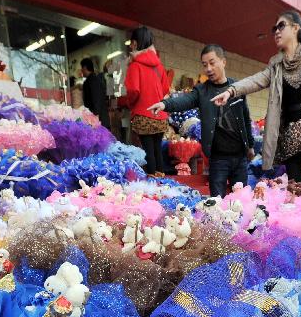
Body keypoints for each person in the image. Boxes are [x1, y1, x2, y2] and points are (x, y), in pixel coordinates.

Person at [211, 10, 301, 190]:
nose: (276, 31)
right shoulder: (276, 64)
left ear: (296, 28)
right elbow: (256, 80)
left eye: (281, 26)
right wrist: (231, 91)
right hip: (290, 133)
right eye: (274, 28)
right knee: (294, 189)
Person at [149, 44, 255, 196]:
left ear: (223, 62)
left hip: (240, 158)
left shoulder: (237, 88)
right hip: (218, 160)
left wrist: (250, 146)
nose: (208, 69)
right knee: (216, 205)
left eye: (212, 63)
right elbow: (184, 100)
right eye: (205, 65)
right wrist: (165, 104)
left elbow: (245, 119)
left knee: (240, 202)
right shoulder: (202, 91)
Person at [119, 26, 171, 175]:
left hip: (143, 115)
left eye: (131, 43)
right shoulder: (159, 66)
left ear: (135, 43)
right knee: (157, 150)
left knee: (148, 152)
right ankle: (162, 183)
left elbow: (134, 90)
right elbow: (166, 89)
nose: (130, 46)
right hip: (160, 116)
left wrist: (130, 103)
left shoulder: (135, 65)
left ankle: (153, 184)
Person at [80, 57, 110, 128]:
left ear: (85, 68)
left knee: (101, 138)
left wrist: (95, 116)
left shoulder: (92, 80)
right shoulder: (95, 79)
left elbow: (96, 98)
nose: (81, 70)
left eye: (81, 68)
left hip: (98, 119)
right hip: (99, 118)